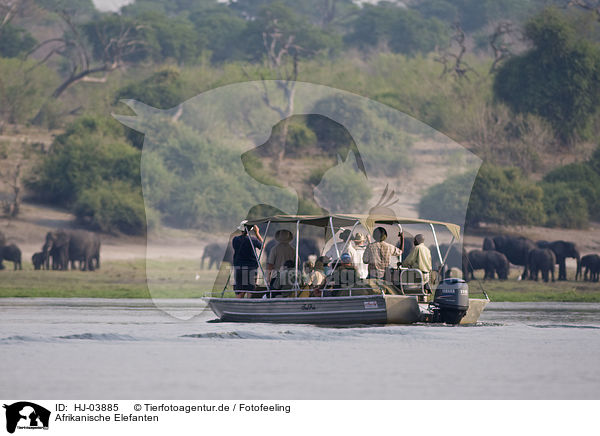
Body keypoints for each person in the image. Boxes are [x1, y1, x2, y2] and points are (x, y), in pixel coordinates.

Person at [231, 223, 263, 298]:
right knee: (250, 290)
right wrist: (257, 233)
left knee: (240, 291)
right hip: (251, 268)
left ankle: (238, 307)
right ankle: (250, 306)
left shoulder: (235, 239)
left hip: (239, 268)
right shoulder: (253, 240)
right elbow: (262, 245)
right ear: (250, 230)